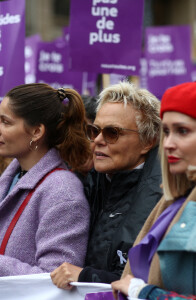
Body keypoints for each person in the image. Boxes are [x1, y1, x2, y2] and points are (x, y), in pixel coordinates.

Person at [0, 83, 91, 288]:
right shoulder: (12, 177)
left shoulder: (63, 191)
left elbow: (55, 279)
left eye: (6, 122)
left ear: (36, 131)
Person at [51, 81, 162, 288]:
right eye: (95, 131)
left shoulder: (165, 199)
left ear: (148, 142)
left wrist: (86, 277)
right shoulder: (85, 185)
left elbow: (156, 287)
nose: (98, 140)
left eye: (112, 133)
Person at [111, 82, 196, 300]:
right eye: (166, 132)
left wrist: (142, 293)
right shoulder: (171, 201)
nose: (168, 143)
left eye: (182, 131)